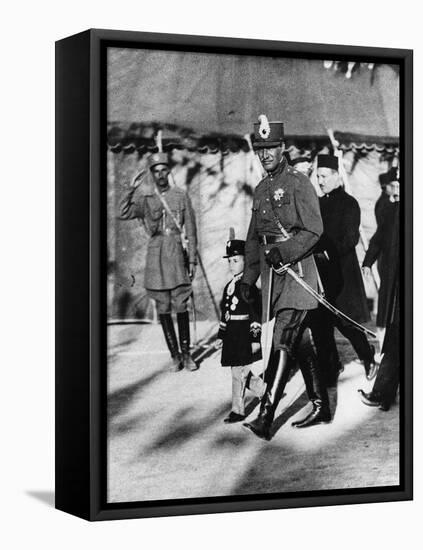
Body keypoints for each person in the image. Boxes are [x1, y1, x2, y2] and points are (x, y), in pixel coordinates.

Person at [241, 115, 328, 440]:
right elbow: (253, 239)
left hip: (297, 272)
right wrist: (248, 280)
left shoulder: (298, 182)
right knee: (300, 343)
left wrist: (286, 250)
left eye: (270, 148)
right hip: (272, 277)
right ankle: (322, 406)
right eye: (259, 149)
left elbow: (314, 230)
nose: (264, 155)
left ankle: (266, 416)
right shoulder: (262, 188)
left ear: (282, 148)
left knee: (281, 338)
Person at [119, 152, 198, 372]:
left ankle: (187, 354)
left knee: (181, 303)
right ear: (152, 174)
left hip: (175, 253)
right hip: (156, 255)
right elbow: (122, 212)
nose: (161, 175)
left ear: (169, 172)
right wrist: (130, 188)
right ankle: (175, 357)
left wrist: (192, 260)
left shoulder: (180, 196)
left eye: (164, 170)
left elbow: (191, 229)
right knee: (163, 305)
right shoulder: (146, 199)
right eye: (156, 171)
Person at [312, 154, 377, 384]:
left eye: (324, 176)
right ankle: (331, 366)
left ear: (337, 177)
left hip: (343, 272)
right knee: (323, 324)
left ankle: (368, 357)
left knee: (347, 323)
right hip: (321, 274)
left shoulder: (349, 203)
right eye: (317, 176)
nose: (320, 181)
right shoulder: (318, 204)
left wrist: (326, 252)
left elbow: (350, 238)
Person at [359, 179, 400, 410]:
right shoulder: (393, 211)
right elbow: (378, 239)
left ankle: (384, 393)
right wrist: (367, 262)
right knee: (395, 340)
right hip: (397, 290)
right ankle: (382, 393)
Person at [215, 235, 265, 423]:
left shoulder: (248, 286)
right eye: (229, 261)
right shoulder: (229, 286)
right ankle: (265, 392)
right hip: (232, 336)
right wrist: (221, 335)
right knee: (240, 373)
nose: (231, 264)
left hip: (244, 335)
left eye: (235, 260)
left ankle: (238, 410)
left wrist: (254, 339)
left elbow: (255, 315)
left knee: (238, 374)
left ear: (246, 260)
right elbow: (225, 314)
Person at [362, 168, 399, 350]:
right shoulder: (389, 209)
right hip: (390, 268)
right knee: (386, 309)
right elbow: (378, 238)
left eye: (399, 186)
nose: (397, 191)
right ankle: (385, 349)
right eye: (394, 186)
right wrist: (368, 261)